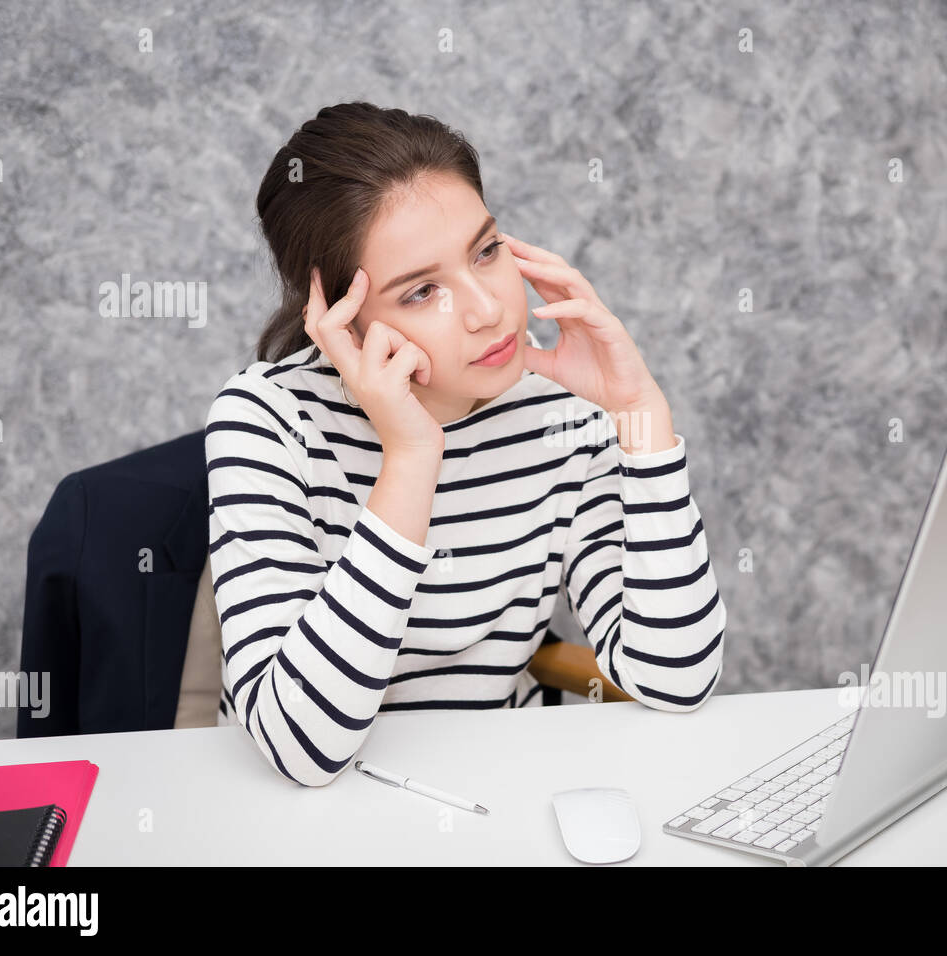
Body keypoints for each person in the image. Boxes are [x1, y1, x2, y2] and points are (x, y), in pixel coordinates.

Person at [205, 103, 727, 787]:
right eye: (422, 291)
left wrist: (640, 416)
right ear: (340, 321)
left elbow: (678, 676)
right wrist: (412, 458)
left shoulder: (562, 417)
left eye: (486, 251)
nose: (487, 309)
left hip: (500, 796)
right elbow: (302, 750)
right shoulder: (265, 420)